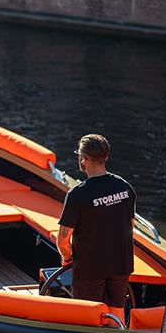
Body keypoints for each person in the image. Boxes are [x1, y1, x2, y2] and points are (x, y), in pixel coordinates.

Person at [56, 134, 136, 317]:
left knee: (87, 316)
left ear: (83, 159)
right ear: (106, 157)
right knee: (117, 313)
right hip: (121, 263)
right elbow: (129, 228)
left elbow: (63, 239)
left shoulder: (78, 194)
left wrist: (68, 257)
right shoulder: (125, 188)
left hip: (90, 267)